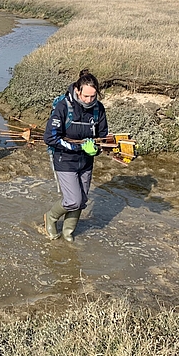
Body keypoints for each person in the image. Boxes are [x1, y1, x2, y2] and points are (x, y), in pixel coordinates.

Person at [43, 69, 108, 242]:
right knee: (73, 200)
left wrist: (97, 149)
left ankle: (68, 232)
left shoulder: (98, 109)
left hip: (86, 161)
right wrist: (75, 147)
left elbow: (102, 138)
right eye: (85, 96)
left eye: (93, 97)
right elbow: (50, 137)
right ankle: (51, 217)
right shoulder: (64, 107)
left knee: (83, 200)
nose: (89, 101)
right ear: (77, 91)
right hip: (65, 159)